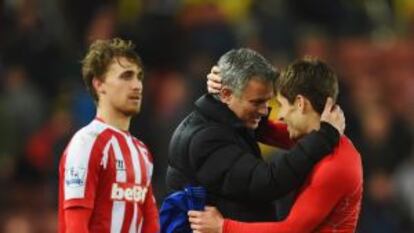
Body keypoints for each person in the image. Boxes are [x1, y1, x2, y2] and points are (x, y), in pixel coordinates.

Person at [166, 48, 345, 222]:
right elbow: (266, 182)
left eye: (268, 101)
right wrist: (323, 137)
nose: (265, 111)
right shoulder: (206, 139)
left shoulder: (227, 120)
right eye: (257, 102)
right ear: (226, 94)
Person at [58, 38, 159, 233]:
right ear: (99, 84)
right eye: (126, 76)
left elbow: (151, 225)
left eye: (139, 76)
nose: (137, 85)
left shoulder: (142, 152)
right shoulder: (86, 143)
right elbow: (75, 227)